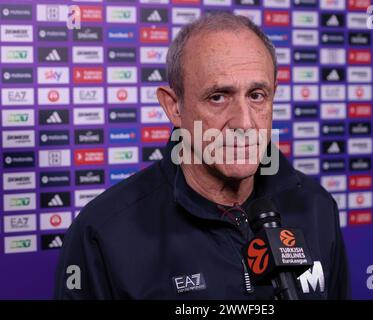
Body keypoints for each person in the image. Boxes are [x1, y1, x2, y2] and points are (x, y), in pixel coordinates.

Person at [54, 12, 350, 300]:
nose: (244, 123)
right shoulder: (104, 232)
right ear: (174, 107)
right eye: (218, 97)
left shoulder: (316, 206)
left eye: (257, 95)